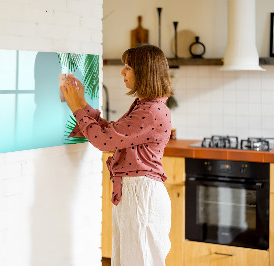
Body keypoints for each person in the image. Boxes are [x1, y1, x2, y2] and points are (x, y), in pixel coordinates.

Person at [61, 44, 173, 266]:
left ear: (144, 72)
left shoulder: (150, 111)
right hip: (136, 193)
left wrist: (76, 108)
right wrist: (82, 104)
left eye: (128, 67)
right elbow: (112, 133)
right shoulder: (146, 106)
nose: (122, 72)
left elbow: (104, 141)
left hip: (141, 195)